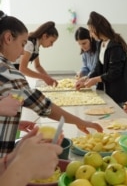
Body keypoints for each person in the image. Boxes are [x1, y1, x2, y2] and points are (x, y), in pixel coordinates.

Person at [0, 10, 103, 158]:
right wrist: (80, 121)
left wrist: (13, 123)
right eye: (22, 44)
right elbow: (45, 107)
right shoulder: (9, 74)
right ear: (8, 38)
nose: (23, 52)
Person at [75, 11, 127, 107]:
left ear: (97, 29)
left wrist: (94, 80)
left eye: (91, 31)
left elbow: (114, 73)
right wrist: (86, 78)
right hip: (108, 91)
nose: (90, 35)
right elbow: (98, 68)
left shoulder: (115, 45)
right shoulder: (100, 44)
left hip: (120, 94)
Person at [16, 21, 59, 86]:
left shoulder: (36, 46)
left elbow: (37, 66)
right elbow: (22, 69)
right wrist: (44, 77)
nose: (51, 45)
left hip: (16, 71)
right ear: (45, 36)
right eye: (51, 42)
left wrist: (49, 78)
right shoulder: (30, 44)